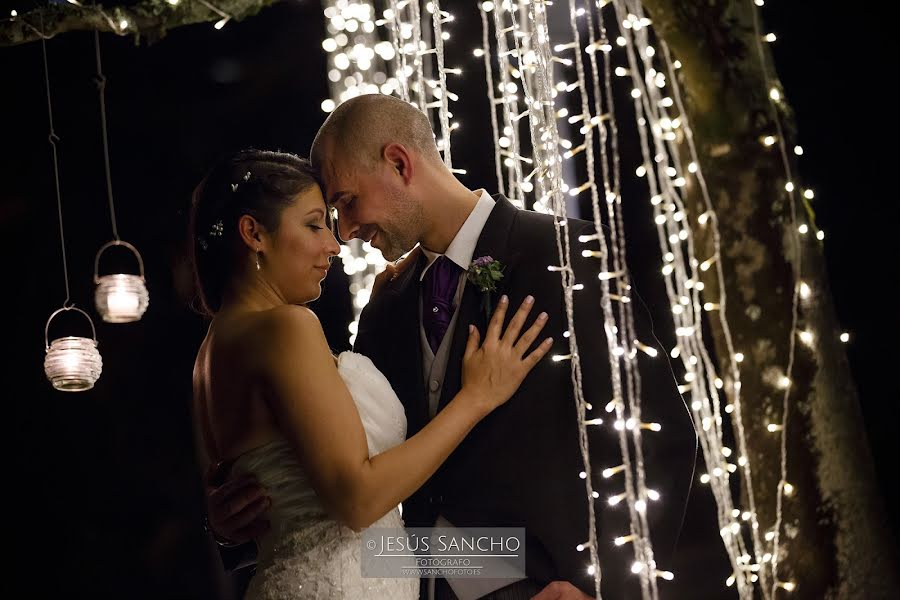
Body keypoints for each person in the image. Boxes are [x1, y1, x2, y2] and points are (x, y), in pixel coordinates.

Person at [209, 95, 696, 599]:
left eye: (347, 203)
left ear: (399, 163)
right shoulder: (386, 306)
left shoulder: (563, 256)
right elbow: (342, 475)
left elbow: (657, 435)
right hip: (406, 578)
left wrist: (607, 588)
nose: (347, 232)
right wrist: (240, 525)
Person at [189, 149, 553, 600]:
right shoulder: (287, 326)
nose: (334, 243)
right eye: (315, 222)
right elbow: (358, 502)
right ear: (253, 233)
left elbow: (304, 520)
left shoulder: (210, 352)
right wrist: (476, 398)